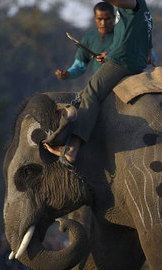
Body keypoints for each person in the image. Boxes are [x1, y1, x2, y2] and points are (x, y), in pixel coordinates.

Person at [45, 0, 153, 168]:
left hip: (122, 63)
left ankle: (72, 149)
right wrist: (109, 55)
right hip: (129, 61)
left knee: (90, 93)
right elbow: (147, 55)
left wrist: (114, 58)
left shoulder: (133, 4)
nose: (103, 23)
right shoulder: (146, 14)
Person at [55, 2, 116, 81]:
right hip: (99, 83)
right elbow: (80, 66)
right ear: (95, 18)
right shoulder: (89, 37)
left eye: (107, 19)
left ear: (114, 17)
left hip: (124, 82)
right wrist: (67, 74)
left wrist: (110, 56)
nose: (103, 23)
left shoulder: (122, 35)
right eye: (99, 19)